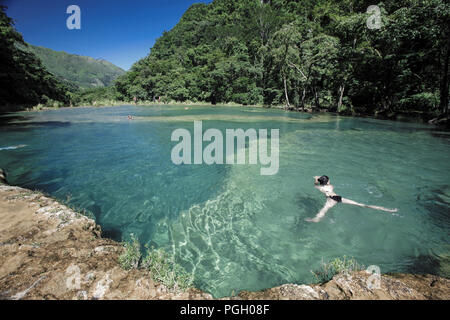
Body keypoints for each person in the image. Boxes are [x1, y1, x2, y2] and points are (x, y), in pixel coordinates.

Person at [305, 175, 398, 223]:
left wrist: (316, 179)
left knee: (324, 210)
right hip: (337, 197)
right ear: (328, 181)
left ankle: (316, 219)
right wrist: (318, 178)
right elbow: (327, 185)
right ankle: (387, 209)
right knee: (361, 205)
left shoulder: (319, 188)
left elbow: (316, 184)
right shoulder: (330, 186)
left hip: (330, 199)